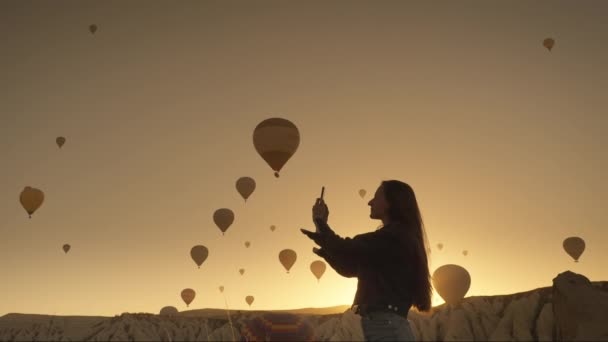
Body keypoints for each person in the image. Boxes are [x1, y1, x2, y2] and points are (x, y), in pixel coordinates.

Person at [300, 180, 433, 341]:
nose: (370, 202)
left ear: (392, 202)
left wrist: (321, 223)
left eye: (376, 197)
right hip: (383, 326)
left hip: (383, 328)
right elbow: (349, 269)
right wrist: (327, 251)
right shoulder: (398, 237)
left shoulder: (395, 237)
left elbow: (347, 248)